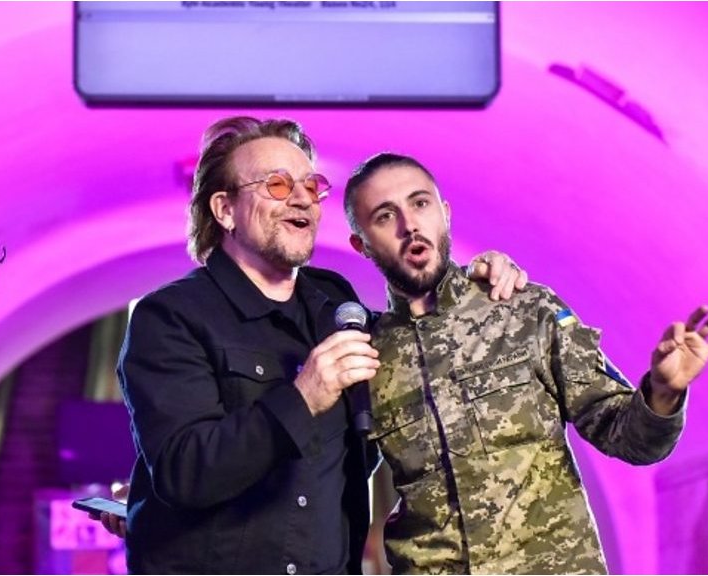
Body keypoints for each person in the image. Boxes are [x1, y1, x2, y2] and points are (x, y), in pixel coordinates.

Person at [110, 117, 526, 574]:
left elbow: (419, 346)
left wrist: (473, 282)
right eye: (277, 184)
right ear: (225, 210)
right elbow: (184, 471)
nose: (303, 197)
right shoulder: (170, 317)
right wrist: (303, 396)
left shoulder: (337, 305)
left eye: (311, 184)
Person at [343, 152, 708, 574]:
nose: (409, 225)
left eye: (420, 203)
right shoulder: (365, 359)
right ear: (361, 244)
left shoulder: (526, 310)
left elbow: (629, 438)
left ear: (445, 212)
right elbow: (331, 490)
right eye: (385, 216)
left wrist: (663, 392)